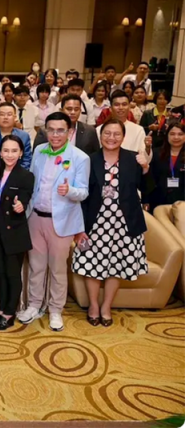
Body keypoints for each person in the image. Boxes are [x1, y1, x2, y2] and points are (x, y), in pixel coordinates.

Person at [73, 119, 150, 327]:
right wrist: (79, 228)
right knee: (91, 263)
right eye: (107, 133)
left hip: (124, 223)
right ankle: (93, 306)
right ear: (100, 135)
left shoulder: (133, 159)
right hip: (94, 223)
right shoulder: (89, 160)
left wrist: (145, 168)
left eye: (117, 134)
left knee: (116, 265)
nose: (111, 138)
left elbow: (148, 189)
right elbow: (82, 197)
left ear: (123, 137)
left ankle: (106, 306)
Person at [19, 112, 90, 332]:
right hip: (35, 218)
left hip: (62, 222)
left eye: (61, 130)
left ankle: (56, 310)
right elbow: (32, 182)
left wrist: (70, 191)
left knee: (58, 269)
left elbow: (84, 192)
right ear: (45, 131)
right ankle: (34, 305)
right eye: (51, 130)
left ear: (69, 131)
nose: (55, 134)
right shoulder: (39, 151)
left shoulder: (80, 157)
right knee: (36, 266)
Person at [0, 135, 34, 331]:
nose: (10, 154)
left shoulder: (26, 176)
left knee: (12, 275)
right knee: (0, 273)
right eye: (6, 150)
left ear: (21, 153)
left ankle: (9, 313)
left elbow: (24, 198)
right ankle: (1, 309)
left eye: (14, 151)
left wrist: (20, 205)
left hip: (14, 232)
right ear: (0, 153)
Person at [34, 95, 101, 156]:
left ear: (80, 111)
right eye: (69, 109)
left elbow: (95, 155)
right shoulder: (45, 131)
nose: (73, 112)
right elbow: (38, 155)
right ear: (61, 110)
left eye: (76, 109)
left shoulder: (89, 131)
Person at [98, 91, 150, 160]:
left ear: (129, 108)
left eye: (124, 104)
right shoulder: (99, 129)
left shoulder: (138, 130)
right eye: (117, 105)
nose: (121, 107)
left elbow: (144, 158)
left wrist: (148, 148)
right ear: (110, 109)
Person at [147, 123, 185, 210]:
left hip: (182, 204)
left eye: (180, 134)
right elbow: (149, 178)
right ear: (167, 135)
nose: (176, 137)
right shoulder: (156, 153)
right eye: (172, 134)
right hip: (159, 202)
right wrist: (146, 200)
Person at [0, 102, 33, 169]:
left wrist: (15, 174)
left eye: (9, 114)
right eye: (2, 114)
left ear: (15, 118)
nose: (5, 117)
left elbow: (26, 161)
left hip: (17, 174)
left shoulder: (24, 136)